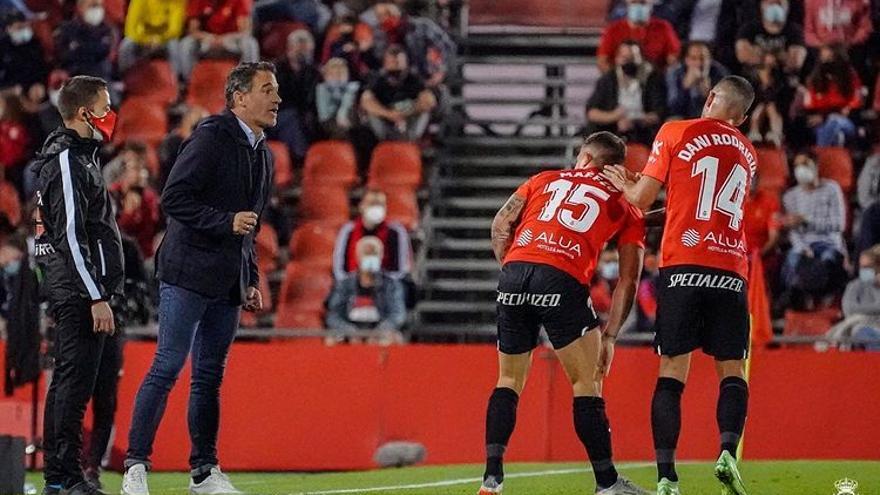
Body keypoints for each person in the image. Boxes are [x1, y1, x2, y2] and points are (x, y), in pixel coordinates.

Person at [121, 62, 279, 495]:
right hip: (188, 272)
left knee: (209, 377)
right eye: (268, 90)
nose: (277, 98)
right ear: (240, 97)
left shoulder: (263, 152)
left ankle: (204, 472)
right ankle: (135, 467)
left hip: (228, 281)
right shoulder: (210, 138)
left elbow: (253, 225)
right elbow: (174, 198)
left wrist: (250, 277)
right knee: (168, 365)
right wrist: (224, 221)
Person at [602, 75, 757, 495]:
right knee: (732, 372)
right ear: (740, 119)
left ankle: (667, 478)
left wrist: (624, 185)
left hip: (683, 267)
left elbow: (641, 199)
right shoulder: (748, 153)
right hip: (730, 268)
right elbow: (701, 204)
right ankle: (727, 452)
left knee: (672, 373)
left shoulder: (675, 131)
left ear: (709, 99)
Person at [478, 131, 649, 495]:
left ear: (585, 157)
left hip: (515, 270)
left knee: (508, 381)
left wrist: (512, 270)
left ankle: (492, 481)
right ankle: (607, 484)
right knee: (587, 383)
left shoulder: (543, 178)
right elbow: (629, 279)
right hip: (562, 276)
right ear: (615, 167)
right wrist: (612, 335)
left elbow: (499, 225)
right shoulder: (627, 203)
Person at [32, 75, 124, 495]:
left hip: (80, 289)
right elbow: (70, 235)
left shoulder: (79, 157)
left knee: (75, 382)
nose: (110, 113)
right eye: (104, 105)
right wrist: (96, 295)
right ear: (84, 112)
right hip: (80, 292)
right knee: (73, 383)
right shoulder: (68, 160)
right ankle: (65, 476)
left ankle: (60, 476)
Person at [780, 152, 848, 308]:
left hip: (829, 243)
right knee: (792, 260)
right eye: (797, 165)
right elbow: (793, 231)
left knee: (828, 260)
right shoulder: (790, 196)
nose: (800, 169)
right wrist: (802, 248)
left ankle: (824, 301)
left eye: (805, 164)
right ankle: (796, 304)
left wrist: (806, 220)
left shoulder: (832, 188)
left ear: (815, 166)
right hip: (804, 245)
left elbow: (838, 225)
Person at [326, 236, 407, 344]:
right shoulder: (344, 284)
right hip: (351, 330)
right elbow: (333, 315)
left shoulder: (392, 285)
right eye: (366, 253)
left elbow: (398, 314)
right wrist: (350, 332)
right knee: (331, 340)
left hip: (379, 331)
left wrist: (379, 332)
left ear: (381, 256)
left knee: (394, 339)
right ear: (358, 256)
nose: (370, 257)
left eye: (374, 254)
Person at [586, 41, 667, 146]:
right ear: (617, 59)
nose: (628, 62)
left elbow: (658, 113)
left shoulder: (652, 78)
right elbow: (592, 113)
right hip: (613, 129)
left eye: (632, 58)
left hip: (643, 130)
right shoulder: (608, 79)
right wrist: (614, 116)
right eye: (624, 57)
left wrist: (635, 121)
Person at [361, 44, 436, 141]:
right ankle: (385, 141)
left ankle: (411, 140)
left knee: (425, 110)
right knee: (370, 110)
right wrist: (390, 114)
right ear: (385, 63)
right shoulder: (377, 79)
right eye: (392, 62)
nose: (396, 65)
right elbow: (366, 101)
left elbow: (430, 100)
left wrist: (405, 113)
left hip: (409, 114)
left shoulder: (414, 78)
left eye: (399, 62)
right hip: (386, 114)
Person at [332, 188, 411, 280]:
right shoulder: (348, 230)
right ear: (361, 206)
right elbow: (339, 269)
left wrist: (380, 282)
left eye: (380, 204)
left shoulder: (396, 230)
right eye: (372, 203)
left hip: (387, 285)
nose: (377, 208)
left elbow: (401, 269)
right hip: (352, 284)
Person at [176, 0, 259, 80]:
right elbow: (193, 30)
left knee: (250, 43)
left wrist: (225, 38)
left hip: (231, 41)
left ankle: (248, 82)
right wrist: (207, 37)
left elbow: (245, 31)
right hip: (206, 41)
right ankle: (186, 82)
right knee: (186, 43)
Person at [803, 43, 862, 147]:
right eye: (824, 58)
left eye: (831, 58)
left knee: (834, 121)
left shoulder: (850, 77)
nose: (827, 62)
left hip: (846, 123)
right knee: (831, 134)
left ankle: (820, 156)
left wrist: (826, 116)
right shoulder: (815, 79)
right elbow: (810, 107)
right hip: (819, 125)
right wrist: (820, 117)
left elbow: (854, 105)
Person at [273, 29, 319, 161]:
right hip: (278, 114)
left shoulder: (313, 71)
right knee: (291, 117)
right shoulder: (275, 69)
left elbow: (312, 99)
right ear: (290, 48)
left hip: (303, 114)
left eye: (307, 51)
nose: (304, 54)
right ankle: (301, 159)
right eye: (301, 50)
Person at [597, 0, 681, 72]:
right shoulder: (613, 29)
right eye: (634, 2)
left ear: (650, 4)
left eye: (642, 2)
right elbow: (603, 61)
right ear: (627, 4)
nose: (638, 6)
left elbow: (673, 58)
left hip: (655, 81)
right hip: (621, 81)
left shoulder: (663, 28)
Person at [735, 0, 807, 75]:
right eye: (770, 3)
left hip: (785, 81)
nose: (774, 7)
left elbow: (796, 61)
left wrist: (760, 54)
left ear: (787, 6)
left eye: (779, 3)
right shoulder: (748, 28)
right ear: (761, 5)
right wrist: (779, 56)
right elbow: (743, 56)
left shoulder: (795, 30)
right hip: (752, 80)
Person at [54, 0, 117, 82]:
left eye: (98, 6)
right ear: (80, 7)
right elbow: (64, 57)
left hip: (102, 80)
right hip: (74, 80)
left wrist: (80, 48)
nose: (96, 10)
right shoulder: (67, 30)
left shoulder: (108, 30)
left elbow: (105, 54)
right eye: (92, 6)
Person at [117, 0, 185, 74]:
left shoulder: (177, 1)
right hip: (142, 37)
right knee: (127, 44)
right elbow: (130, 28)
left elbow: (175, 30)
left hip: (164, 39)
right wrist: (145, 39)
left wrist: (160, 38)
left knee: (174, 44)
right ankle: (126, 77)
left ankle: (177, 80)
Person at [666, 41, 730, 119]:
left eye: (702, 58)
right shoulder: (675, 73)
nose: (699, 63)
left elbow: (725, 107)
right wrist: (685, 86)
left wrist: (708, 93)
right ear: (687, 60)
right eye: (694, 58)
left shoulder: (719, 72)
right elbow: (673, 107)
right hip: (683, 116)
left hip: (710, 117)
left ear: (710, 59)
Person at [0, 9, 49, 92]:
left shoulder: (34, 42)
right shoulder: (3, 48)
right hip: (13, 88)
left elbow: (41, 67)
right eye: (19, 27)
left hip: (37, 86)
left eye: (24, 26)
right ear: (9, 29)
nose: (23, 30)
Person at [747, 51, 788, 146]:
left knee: (770, 106)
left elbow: (779, 97)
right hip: (758, 107)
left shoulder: (781, 79)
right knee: (764, 106)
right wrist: (764, 85)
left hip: (778, 108)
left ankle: (774, 134)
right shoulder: (754, 80)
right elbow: (754, 97)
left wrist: (767, 85)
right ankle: (755, 133)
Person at [316, 57, 360, 138]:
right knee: (343, 132)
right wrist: (339, 112)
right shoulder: (322, 89)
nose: (337, 76)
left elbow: (349, 106)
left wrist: (342, 111)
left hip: (347, 118)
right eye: (333, 73)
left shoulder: (351, 88)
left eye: (340, 72)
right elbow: (324, 115)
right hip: (328, 121)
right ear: (327, 74)